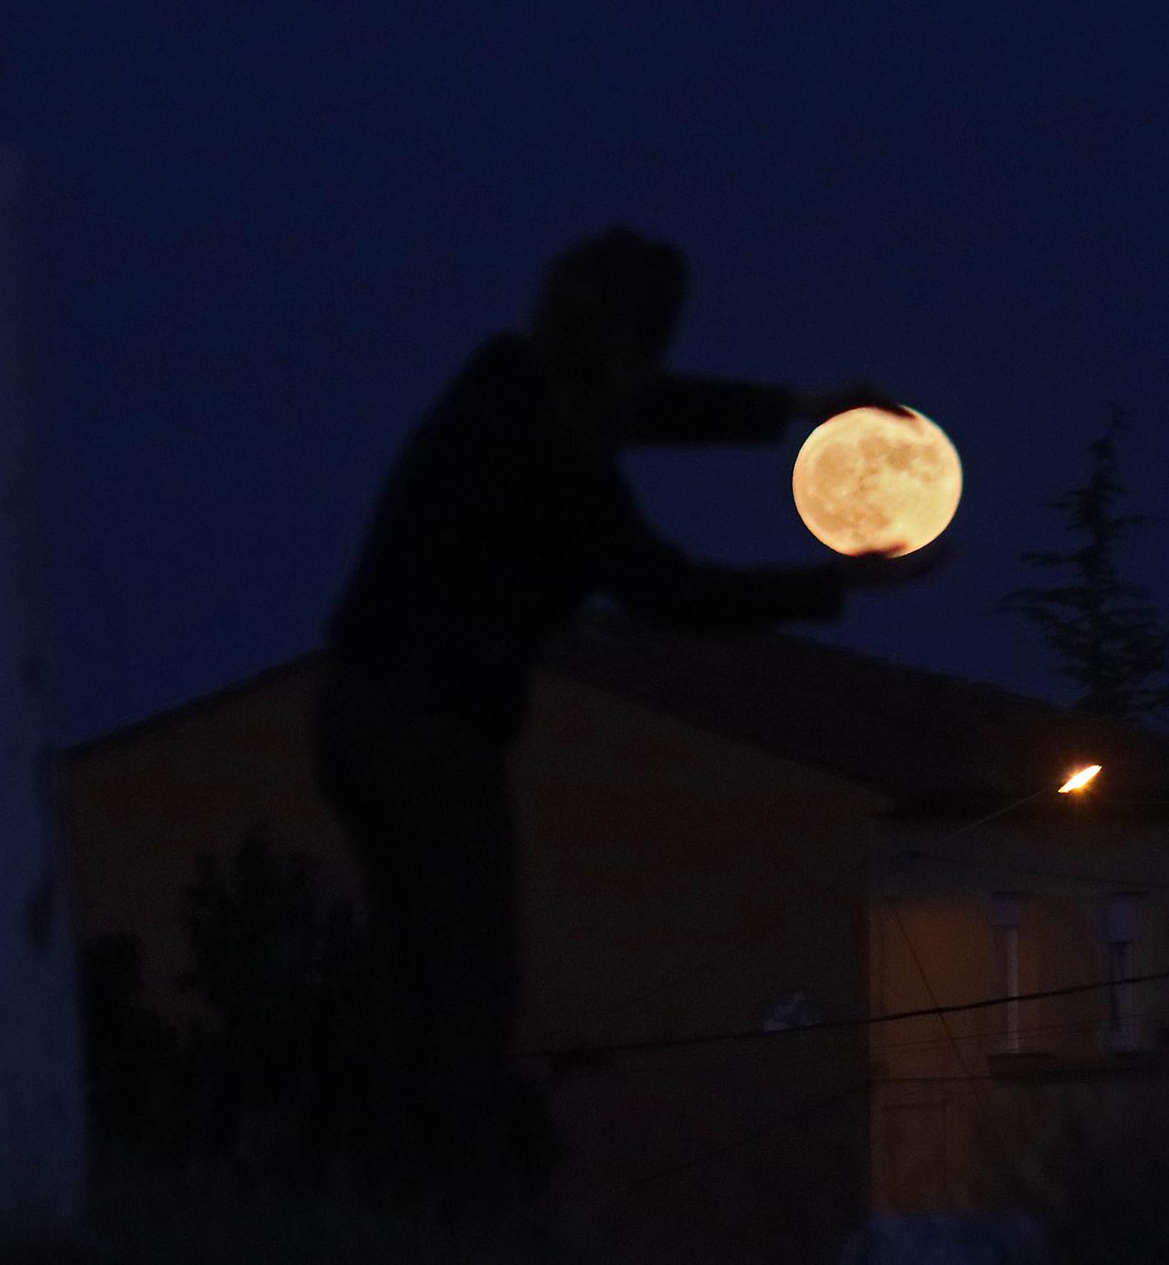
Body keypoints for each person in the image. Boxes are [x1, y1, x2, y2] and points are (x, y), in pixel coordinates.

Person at [310, 226, 949, 1246]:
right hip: (427, 730)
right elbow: (670, 588)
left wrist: (791, 409)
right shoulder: (560, 460)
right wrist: (836, 581)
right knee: (468, 984)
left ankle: (406, 1202)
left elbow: (645, 410)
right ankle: (459, 1214)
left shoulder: (503, 381)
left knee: (419, 979)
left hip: (352, 709)